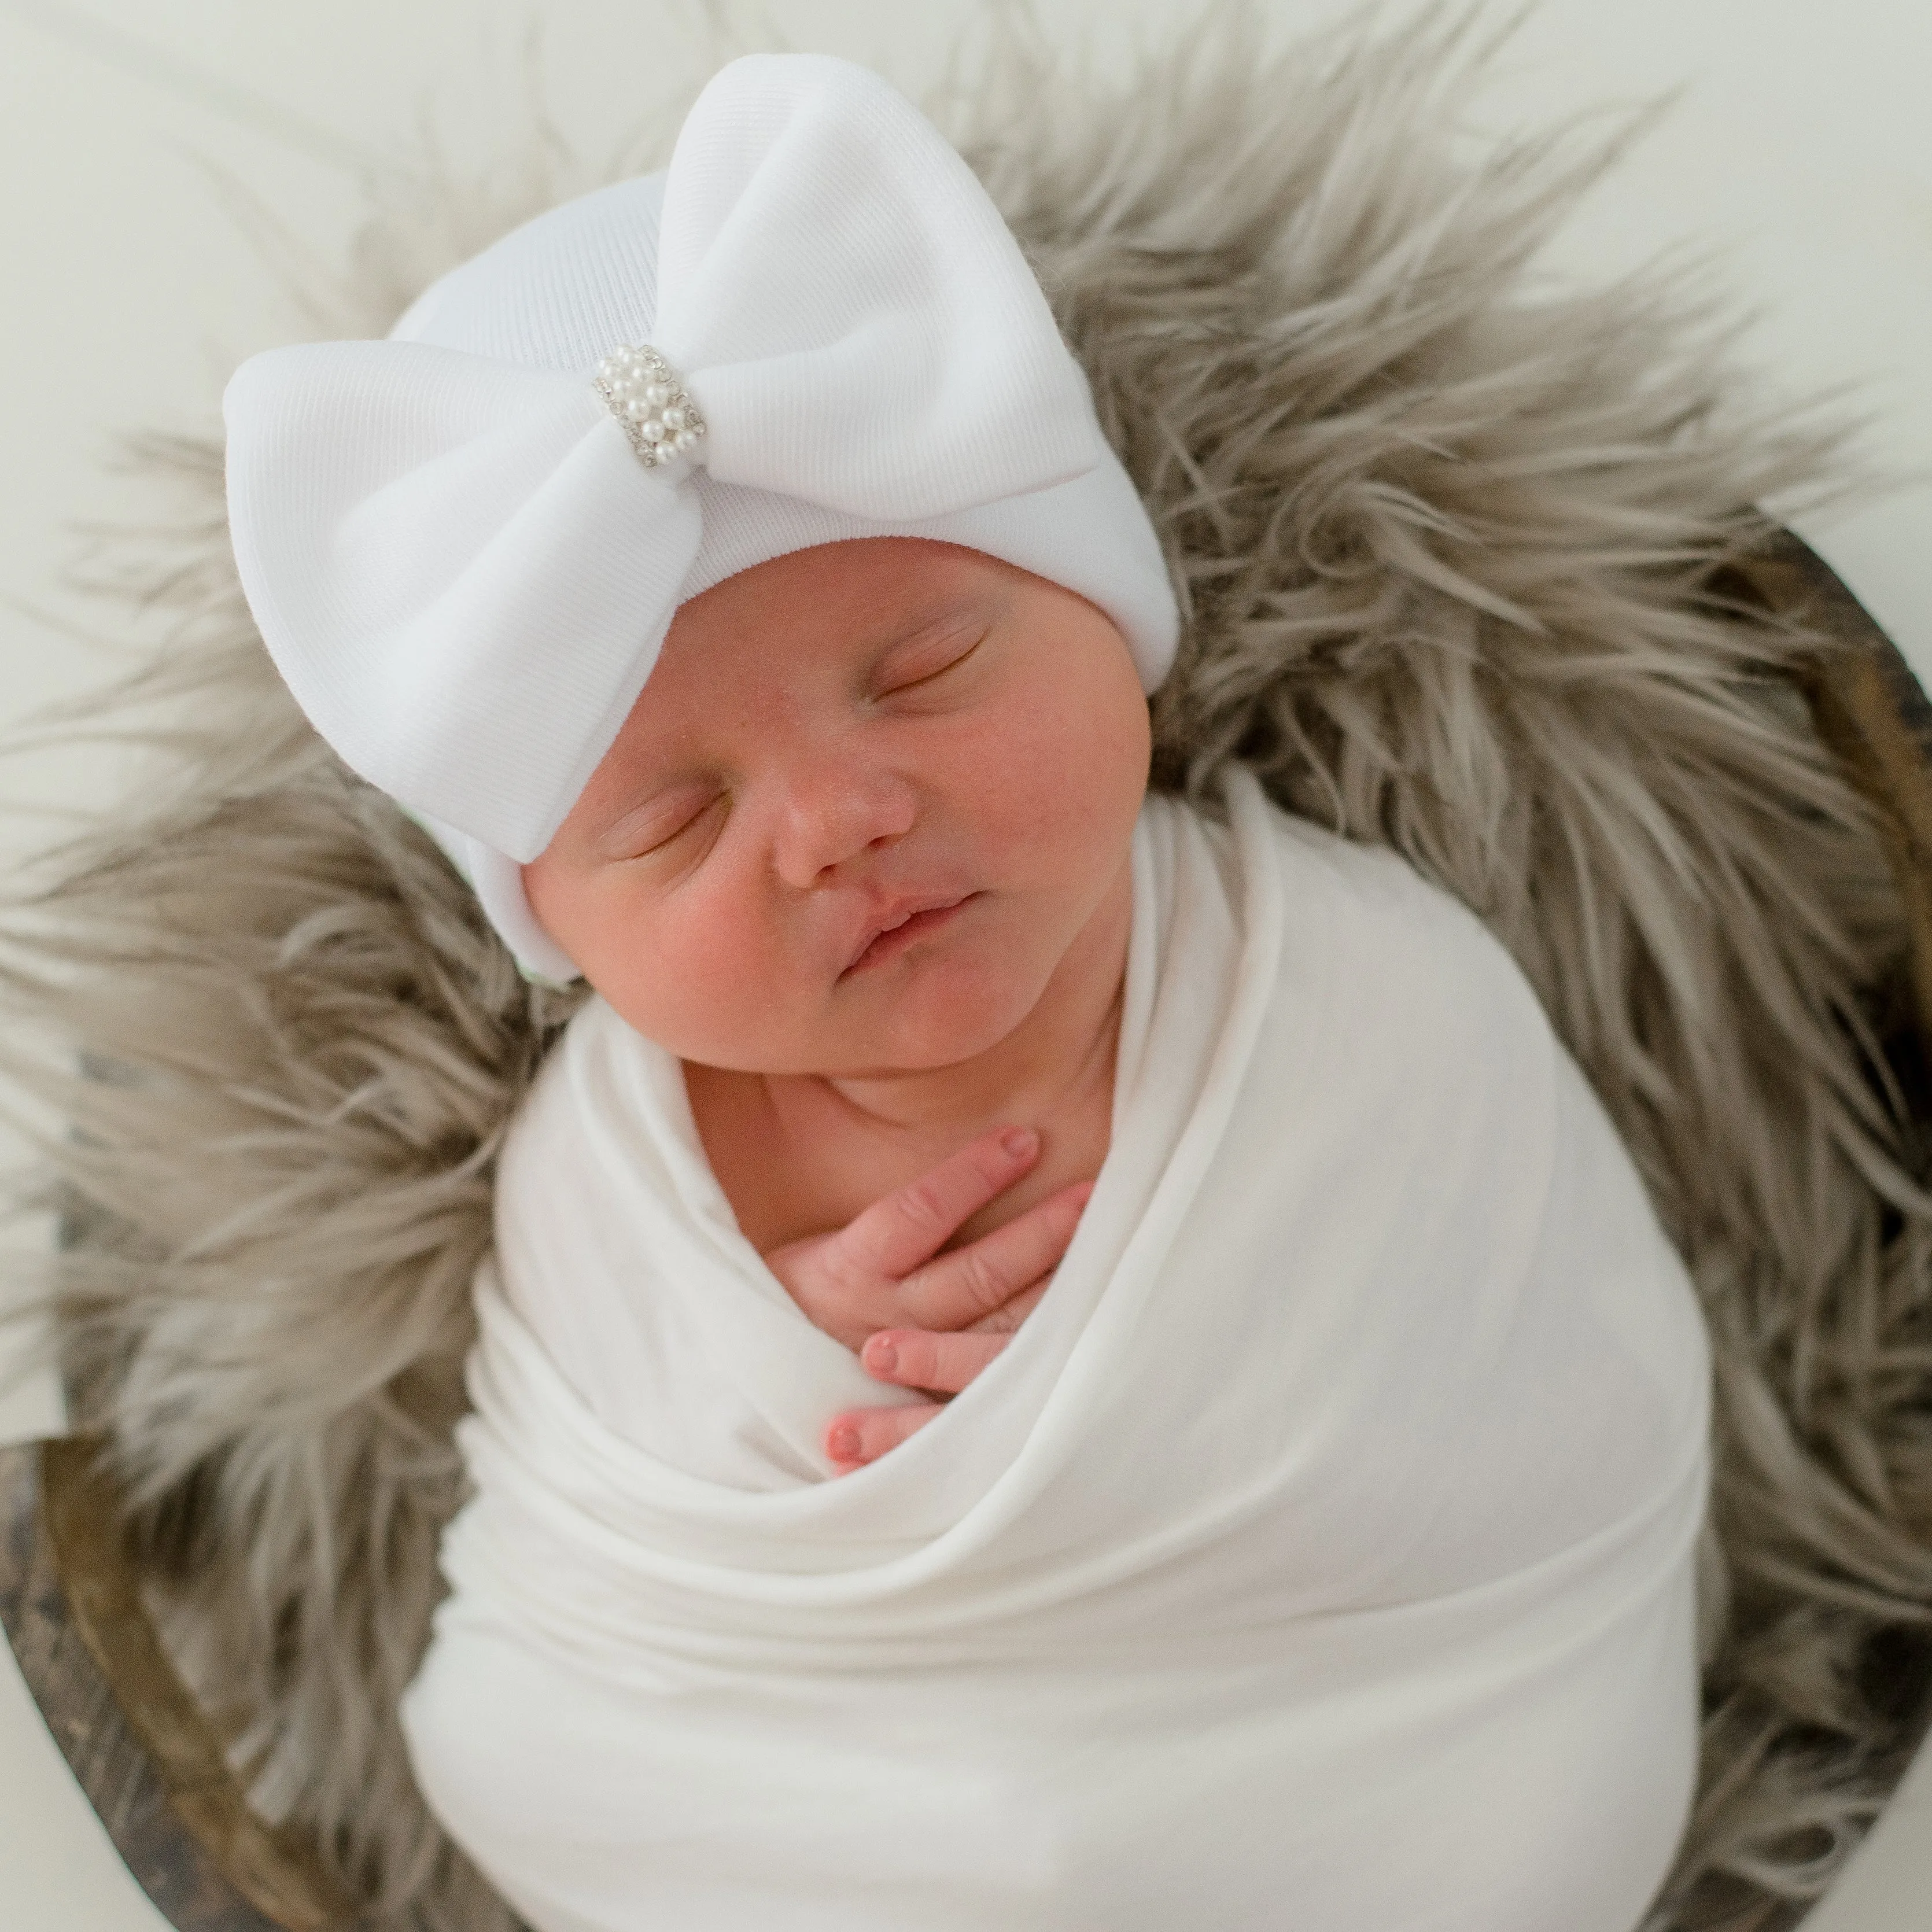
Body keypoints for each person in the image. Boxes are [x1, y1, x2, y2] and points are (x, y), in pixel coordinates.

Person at [222, 50, 1712, 1932]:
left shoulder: (1358, 978)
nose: (840, 822)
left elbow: (1546, 1374)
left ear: (1111, 619)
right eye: (676, 820)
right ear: (556, 936)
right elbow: (596, 1548)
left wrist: (1155, 1415)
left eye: (921, 667)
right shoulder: (604, 1156)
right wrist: (784, 1365)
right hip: (805, 1793)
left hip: (1391, 1730)